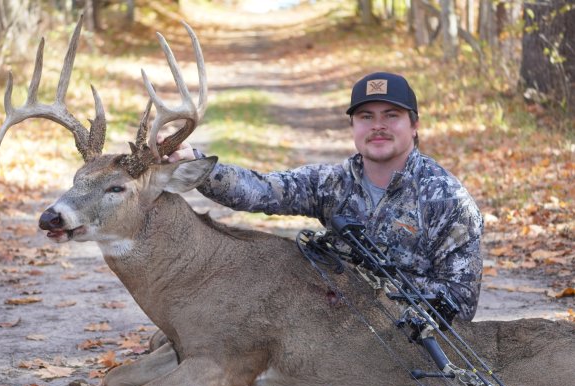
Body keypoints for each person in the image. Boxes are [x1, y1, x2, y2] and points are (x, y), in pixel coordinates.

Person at [169, 72, 483, 321]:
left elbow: (460, 303)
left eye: (391, 116)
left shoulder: (447, 199)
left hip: (409, 339)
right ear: (353, 126)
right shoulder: (334, 182)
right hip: (336, 324)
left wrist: (368, 291)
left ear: (414, 125)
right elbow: (260, 190)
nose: (378, 127)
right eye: (365, 117)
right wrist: (195, 162)